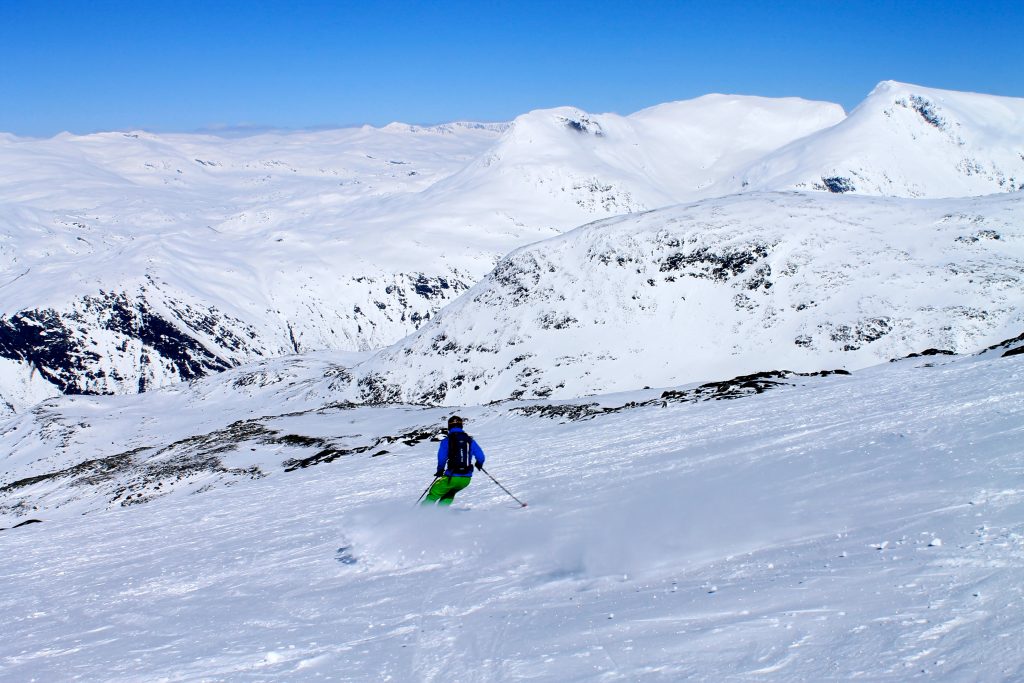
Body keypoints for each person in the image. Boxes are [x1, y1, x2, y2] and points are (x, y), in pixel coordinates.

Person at [422, 415, 486, 506]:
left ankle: (420, 515)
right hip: (466, 479)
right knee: (449, 494)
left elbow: (442, 458)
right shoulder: (469, 440)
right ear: (461, 426)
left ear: (449, 427)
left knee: (434, 493)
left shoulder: (447, 441)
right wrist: (479, 463)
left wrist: (440, 470)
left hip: (452, 477)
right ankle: (440, 516)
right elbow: (481, 456)